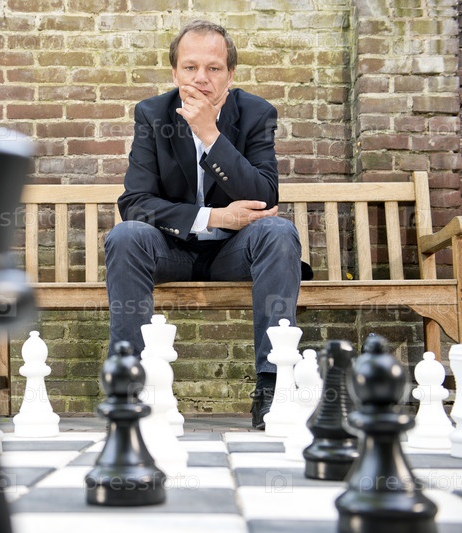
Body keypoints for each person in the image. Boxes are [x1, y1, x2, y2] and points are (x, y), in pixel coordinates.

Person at [104, 19, 311, 430]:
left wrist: (210, 135)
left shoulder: (255, 113)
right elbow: (136, 203)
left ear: (230, 75)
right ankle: (129, 387)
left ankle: (273, 387)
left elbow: (265, 196)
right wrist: (214, 216)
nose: (201, 79)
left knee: (278, 231)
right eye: (190, 67)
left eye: (214, 69)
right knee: (126, 235)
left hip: (233, 253)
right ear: (174, 72)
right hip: (170, 251)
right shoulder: (152, 113)